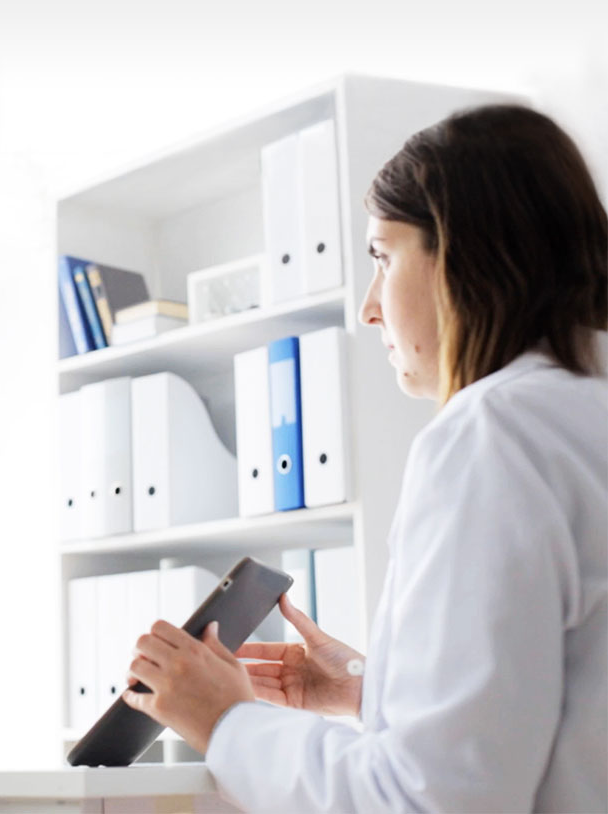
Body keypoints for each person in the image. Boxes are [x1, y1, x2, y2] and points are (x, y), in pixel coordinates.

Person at [122, 104, 607, 812]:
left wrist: (223, 720)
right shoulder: (579, 420)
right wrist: (367, 687)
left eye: (382, 256)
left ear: (465, 255)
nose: (367, 307)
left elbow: (429, 799)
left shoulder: (490, 434)